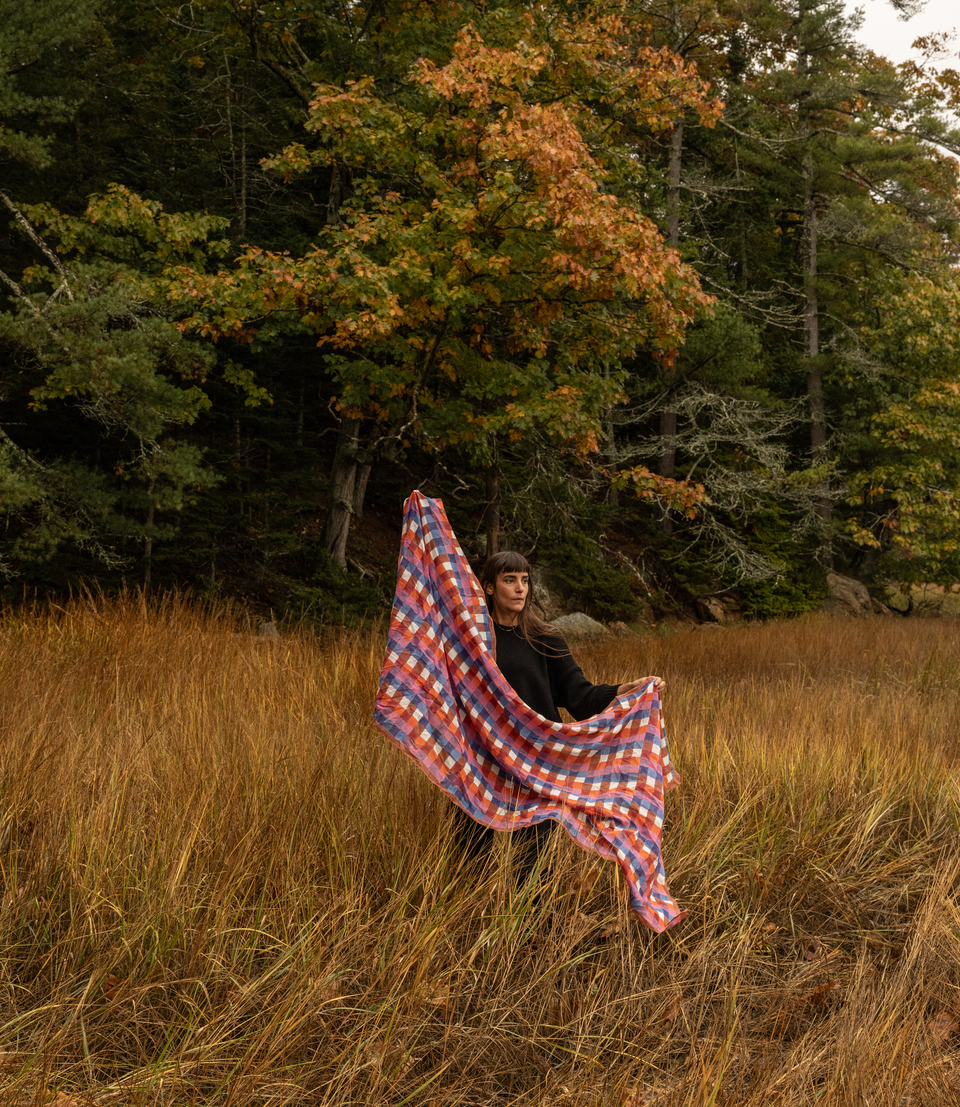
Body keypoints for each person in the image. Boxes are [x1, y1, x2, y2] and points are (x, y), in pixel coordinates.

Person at [452, 548, 666, 887]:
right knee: (468, 857)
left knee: (532, 864)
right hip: (480, 763)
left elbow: (579, 698)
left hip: (537, 763)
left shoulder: (545, 638)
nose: (520, 588)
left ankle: (533, 933)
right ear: (489, 587)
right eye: (510, 580)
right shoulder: (474, 641)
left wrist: (626, 689)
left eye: (525, 580)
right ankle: (466, 925)